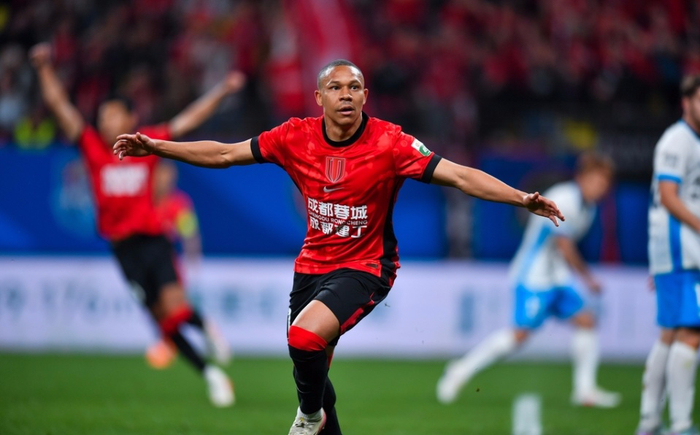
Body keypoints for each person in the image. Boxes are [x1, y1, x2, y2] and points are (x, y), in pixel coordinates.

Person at [113, 59, 564, 435]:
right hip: (311, 268)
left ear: (366, 96)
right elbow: (225, 154)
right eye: (335, 87)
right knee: (309, 365)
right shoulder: (294, 137)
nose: (345, 94)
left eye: (354, 87)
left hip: (367, 267)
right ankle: (319, 417)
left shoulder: (391, 143)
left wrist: (520, 198)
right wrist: (157, 148)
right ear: (319, 97)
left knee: (303, 339)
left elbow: (461, 176)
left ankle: (308, 417)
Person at [30, 42, 244, 407]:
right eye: (102, 117)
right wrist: (43, 68)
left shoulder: (146, 142)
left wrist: (223, 90)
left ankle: (205, 327)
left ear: (130, 120)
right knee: (163, 322)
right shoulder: (92, 147)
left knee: (175, 306)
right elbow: (60, 106)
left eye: (113, 116)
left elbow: (188, 120)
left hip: (153, 239)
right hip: (122, 248)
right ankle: (211, 374)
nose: (105, 122)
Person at [437, 152, 620, 409]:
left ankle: (585, 391)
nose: (600, 188)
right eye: (596, 181)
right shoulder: (566, 198)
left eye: (604, 183)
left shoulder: (587, 207)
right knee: (519, 335)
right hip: (535, 276)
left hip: (557, 276)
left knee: (586, 321)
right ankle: (460, 370)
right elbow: (564, 244)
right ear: (582, 178)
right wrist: (588, 279)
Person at [637, 75, 700, 435]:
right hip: (680, 248)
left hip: (683, 249)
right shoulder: (678, 140)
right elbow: (668, 196)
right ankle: (680, 423)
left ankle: (649, 419)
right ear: (686, 102)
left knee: (671, 333)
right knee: (690, 332)